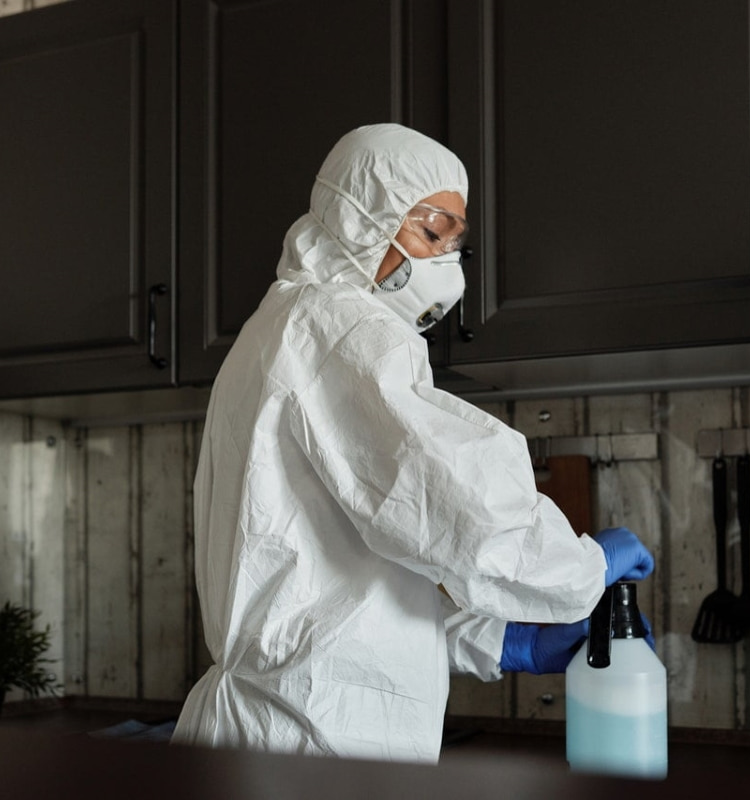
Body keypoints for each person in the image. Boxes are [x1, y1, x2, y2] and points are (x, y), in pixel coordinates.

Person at [171, 123, 654, 762]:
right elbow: (464, 505)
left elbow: (336, 591)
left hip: (286, 726)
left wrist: (497, 640)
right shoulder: (341, 328)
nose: (445, 265)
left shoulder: (285, 327)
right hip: (311, 743)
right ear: (358, 217)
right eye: (430, 233)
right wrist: (584, 568)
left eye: (455, 243)